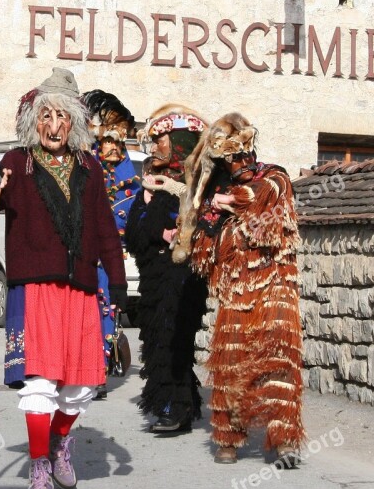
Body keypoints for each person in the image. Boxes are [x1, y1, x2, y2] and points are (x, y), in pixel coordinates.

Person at [0, 68, 127, 489]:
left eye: (62, 117)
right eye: (46, 117)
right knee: (40, 381)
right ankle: (39, 467)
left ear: (74, 122)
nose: (54, 126)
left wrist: (116, 282)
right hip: (34, 287)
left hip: (79, 288)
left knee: (80, 386)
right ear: (33, 121)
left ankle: (60, 441)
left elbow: (105, 231)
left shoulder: (90, 167)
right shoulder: (15, 163)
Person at [183, 113, 305, 467]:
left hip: (276, 286)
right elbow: (201, 248)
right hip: (236, 289)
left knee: (278, 362)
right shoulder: (217, 193)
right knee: (232, 364)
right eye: (227, 160)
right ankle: (229, 439)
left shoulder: (276, 177)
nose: (235, 164)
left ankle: (284, 441)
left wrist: (222, 203)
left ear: (250, 150)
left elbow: (258, 199)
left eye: (238, 156)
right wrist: (203, 212)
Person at [125, 105, 209, 434]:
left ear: (180, 144)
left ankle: (173, 407)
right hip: (154, 280)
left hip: (183, 279)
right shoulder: (151, 185)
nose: (156, 146)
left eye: (162, 140)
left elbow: (204, 229)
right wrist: (148, 210)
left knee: (173, 339)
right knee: (159, 338)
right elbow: (133, 236)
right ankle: (181, 403)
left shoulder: (198, 187)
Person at [81, 89, 141, 399]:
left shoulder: (117, 158)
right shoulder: (80, 153)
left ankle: (99, 372)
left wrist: (108, 228)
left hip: (104, 249)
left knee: (104, 307)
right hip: (76, 247)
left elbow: (127, 199)